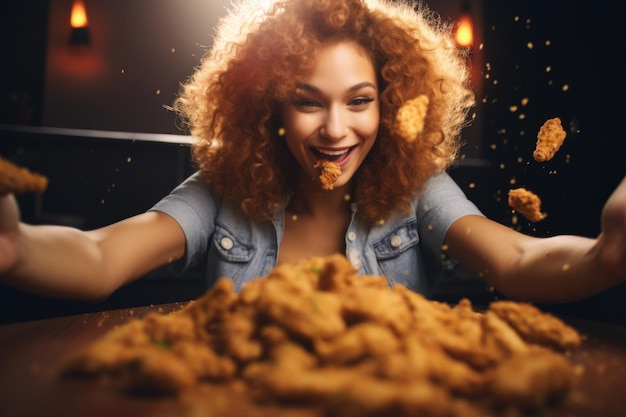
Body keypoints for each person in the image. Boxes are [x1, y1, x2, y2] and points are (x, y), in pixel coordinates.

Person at [0, 0, 624, 304]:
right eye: (307, 102)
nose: (334, 129)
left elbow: (515, 259)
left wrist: (602, 256)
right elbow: (103, 254)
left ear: (389, 103)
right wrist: (18, 248)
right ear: (269, 106)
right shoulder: (222, 193)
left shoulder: (416, 192)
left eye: (358, 101)